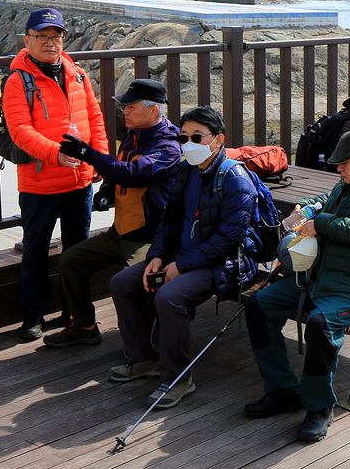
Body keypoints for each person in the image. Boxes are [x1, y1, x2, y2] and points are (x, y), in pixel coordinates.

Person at [243, 126, 350, 443]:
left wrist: (319, 223)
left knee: (320, 325)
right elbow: (325, 201)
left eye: (343, 163)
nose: (338, 169)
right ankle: (283, 390)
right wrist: (304, 206)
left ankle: (319, 408)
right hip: (319, 279)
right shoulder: (347, 184)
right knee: (258, 305)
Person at [107, 106, 264, 409]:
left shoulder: (235, 178)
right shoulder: (187, 170)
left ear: (218, 140)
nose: (188, 144)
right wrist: (156, 256)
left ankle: (178, 378)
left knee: (169, 297)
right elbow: (169, 221)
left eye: (197, 137)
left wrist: (181, 266)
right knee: (122, 283)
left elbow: (228, 239)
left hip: (224, 263)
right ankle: (144, 359)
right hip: (183, 256)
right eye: (183, 137)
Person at [42, 79, 182, 348]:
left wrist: (89, 154)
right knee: (70, 260)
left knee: (136, 284)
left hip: (150, 238)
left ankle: (148, 346)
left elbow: (132, 174)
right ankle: (84, 326)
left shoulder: (168, 147)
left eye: (131, 106)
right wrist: (107, 190)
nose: (124, 111)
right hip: (120, 232)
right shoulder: (134, 136)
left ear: (154, 111)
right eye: (124, 106)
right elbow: (119, 170)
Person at [3, 8, 108, 341]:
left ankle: (73, 311)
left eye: (56, 36)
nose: (50, 42)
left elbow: (95, 119)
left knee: (77, 250)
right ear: (27, 39)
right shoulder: (18, 80)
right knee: (35, 250)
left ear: (63, 39)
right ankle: (32, 315)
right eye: (42, 36)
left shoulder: (78, 75)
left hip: (79, 179)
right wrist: (55, 154)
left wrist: (99, 160)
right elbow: (19, 130)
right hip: (39, 182)